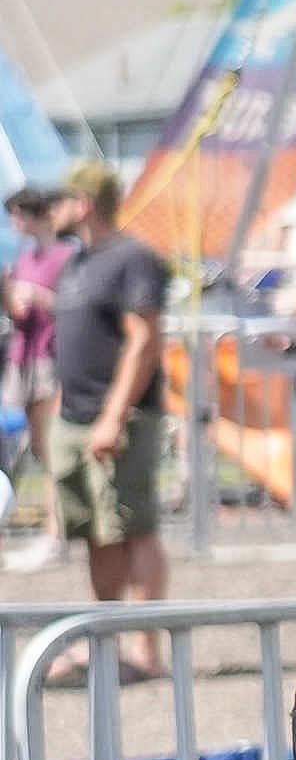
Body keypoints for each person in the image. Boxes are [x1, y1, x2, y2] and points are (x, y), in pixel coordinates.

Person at [45, 157, 170, 675]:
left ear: (83, 203)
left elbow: (145, 340)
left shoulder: (133, 259)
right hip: (72, 416)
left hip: (119, 418)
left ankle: (147, 650)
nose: (52, 209)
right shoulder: (75, 263)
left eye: (60, 199)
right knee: (96, 533)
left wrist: (114, 416)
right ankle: (107, 642)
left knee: (133, 528)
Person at [1, 186, 64, 569]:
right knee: (35, 451)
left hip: (47, 360)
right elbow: (19, 313)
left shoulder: (62, 258)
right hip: (24, 358)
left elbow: (70, 305)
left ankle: (55, 534)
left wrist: (37, 295)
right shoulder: (24, 259)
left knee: (49, 451)